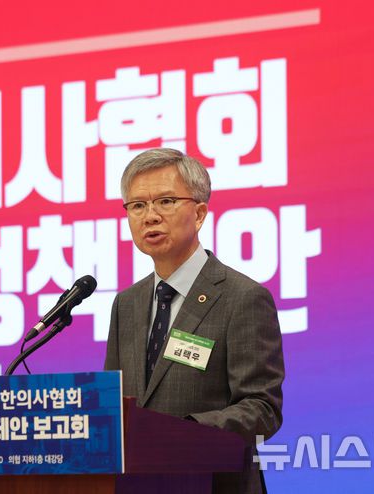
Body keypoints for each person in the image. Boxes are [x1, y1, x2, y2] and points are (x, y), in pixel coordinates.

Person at [104, 148, 285, 494]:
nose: (150, 216)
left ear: (199, 213)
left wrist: (183, 433)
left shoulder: (242, 298)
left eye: (166, 201)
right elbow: (114, 406)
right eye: (138, 206)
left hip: (214, 485)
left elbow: (263, 409)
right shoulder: (126, 304)